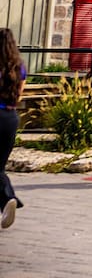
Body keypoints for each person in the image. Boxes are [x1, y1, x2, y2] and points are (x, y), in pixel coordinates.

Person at [0, 28, 25, 228]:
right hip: (11, 117)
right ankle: (7, 201)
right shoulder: (19, 68)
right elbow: (19, 95)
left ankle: (9, 197)